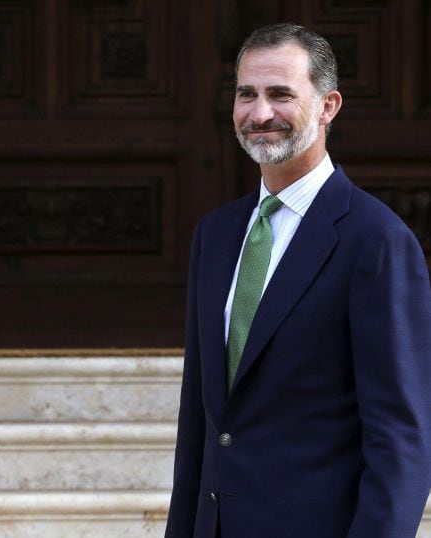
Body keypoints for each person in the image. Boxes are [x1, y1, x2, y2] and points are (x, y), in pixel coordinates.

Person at [165, 23, 431, 538]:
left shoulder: (377, 241)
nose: (259, 114)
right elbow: (200, 423)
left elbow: (401, 440)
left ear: (328, 106)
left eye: (281, 94)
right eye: (247, 95)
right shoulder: (215, 235)